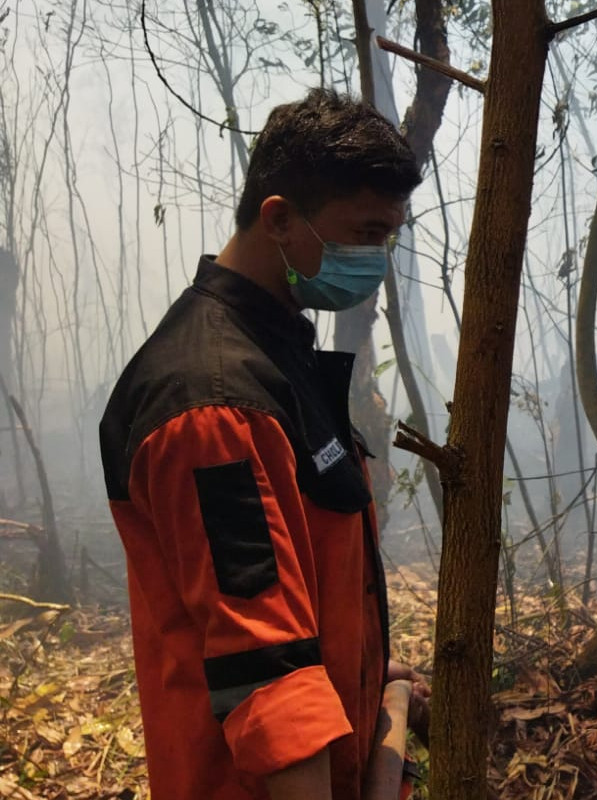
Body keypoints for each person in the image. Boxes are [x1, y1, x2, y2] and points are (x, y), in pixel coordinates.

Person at [99, 89, 427, 800]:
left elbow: (309, 587)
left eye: (388, 238)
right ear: (279, 218)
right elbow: (266, 672)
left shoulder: (276, 356)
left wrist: (372, 684)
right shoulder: (214, 406)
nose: (377, 259)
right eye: (365, 235)